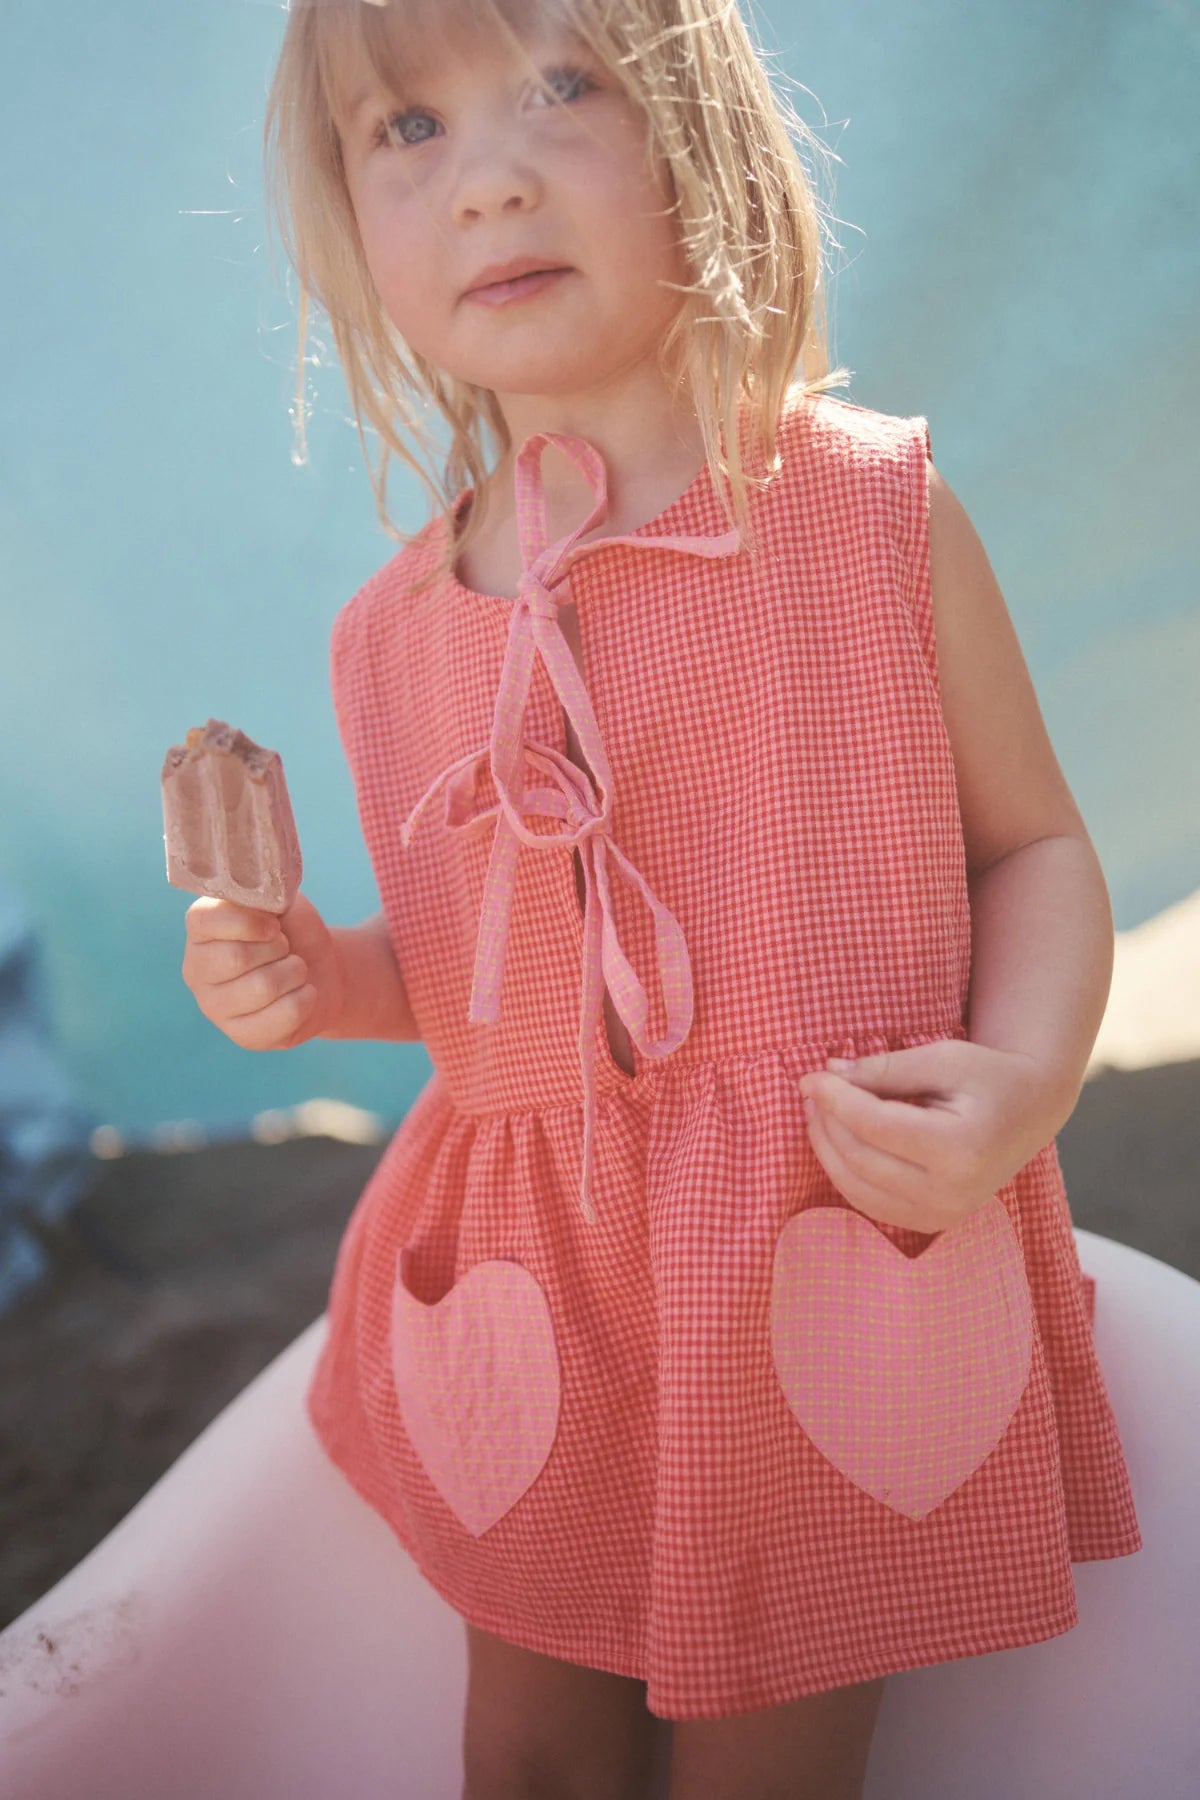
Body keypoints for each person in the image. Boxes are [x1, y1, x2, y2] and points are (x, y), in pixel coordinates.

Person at [180, 1, 1141, 1795]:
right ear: (349, 224)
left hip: (819, 1246)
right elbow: (490, 985)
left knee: (772, 1760)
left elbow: (1036, 849)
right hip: (542, 1293)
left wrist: (1026, 1079)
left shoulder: (868, 517)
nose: (492, 182)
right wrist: (318, 980)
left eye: (565, 89)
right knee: (529, 1748)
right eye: (411, 131)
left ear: (701, 147)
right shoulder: (387, 641)